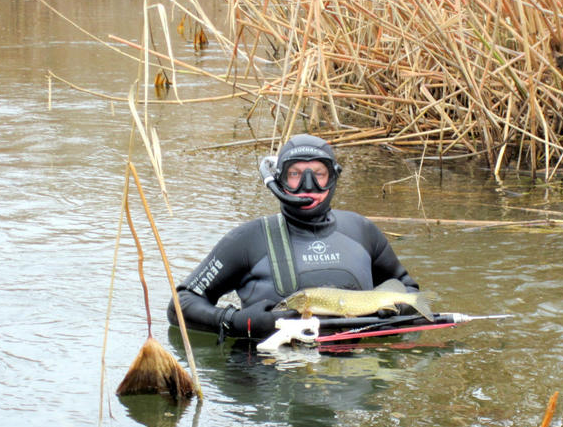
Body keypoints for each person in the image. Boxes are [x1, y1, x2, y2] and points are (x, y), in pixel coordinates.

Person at [167, 134, 420, 338]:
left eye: (319, 175)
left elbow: (408, 288)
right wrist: (235, 322)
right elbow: (181, 304)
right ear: (280, 181)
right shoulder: (248, 240)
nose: (308, 186)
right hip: (272, 374)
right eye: (295, 175)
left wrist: (402, 307)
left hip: (357, 376)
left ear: (333, 178)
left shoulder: (361, 231)